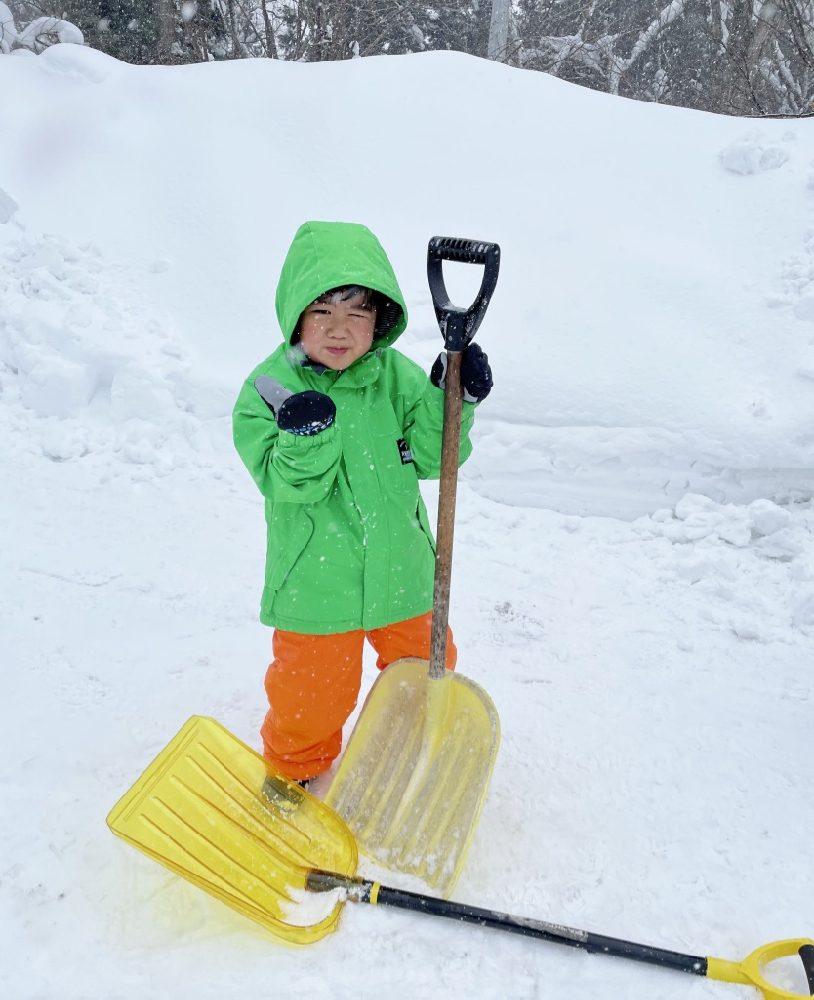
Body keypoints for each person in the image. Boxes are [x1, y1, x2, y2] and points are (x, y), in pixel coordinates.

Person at [232, 221, 493, 784]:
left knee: (426, 671)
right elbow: (288, 485)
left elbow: (433, 457)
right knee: (312, 699)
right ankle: (293, 775)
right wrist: (305, 436)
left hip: (403, 569)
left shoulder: (393, 377)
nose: (340, 329)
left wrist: (454, 396)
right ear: (296, 314)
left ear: (380, 320)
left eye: (358, 313)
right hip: (317, 584)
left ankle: (410, 755)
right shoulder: (265, 392)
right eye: (323, 310)